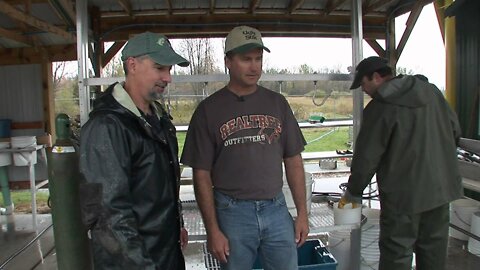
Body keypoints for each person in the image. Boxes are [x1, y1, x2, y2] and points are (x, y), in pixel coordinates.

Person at [181, 25, 309, 270]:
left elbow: (293, 159)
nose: (254, 66)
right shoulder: (209, 110)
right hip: (232, 211)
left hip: (276, 208)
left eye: (258, 59)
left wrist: (302, 213)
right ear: (228, 61)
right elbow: (201, 174)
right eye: (246, 59)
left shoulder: (278, 103)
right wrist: (213, 230)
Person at [339, 56, 463, 270]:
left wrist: (354, 191)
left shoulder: (380, 107)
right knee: (434, 252)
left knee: (397, 254)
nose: (364, 90)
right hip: (441, 192)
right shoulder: (432, 93)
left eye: (364, 84)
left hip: (403, 198)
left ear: (376, 77)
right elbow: (455, 132)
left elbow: (367, 157)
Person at [79, 32, 190, 269]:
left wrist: (175, 223)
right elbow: (106, 215)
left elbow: (162, 185)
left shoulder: (159, 120)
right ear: (132, 65)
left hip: (164, 253)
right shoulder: (107, 126)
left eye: (169, 70)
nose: (168, 77)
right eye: (160, 68)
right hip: (132, 262)